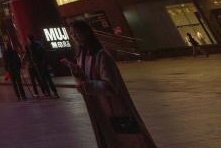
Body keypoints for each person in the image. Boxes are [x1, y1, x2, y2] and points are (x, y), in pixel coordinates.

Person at [62, 20, 156, 148]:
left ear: (86, 32)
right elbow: (87, 78)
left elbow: (111, 86)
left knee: (130, 141)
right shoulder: (82, 56)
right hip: (99, 109)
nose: (74, 36)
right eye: (71, 34)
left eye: (77, 33)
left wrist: (87, 86)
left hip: (115, 108)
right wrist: (76, 72)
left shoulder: (102, 55)